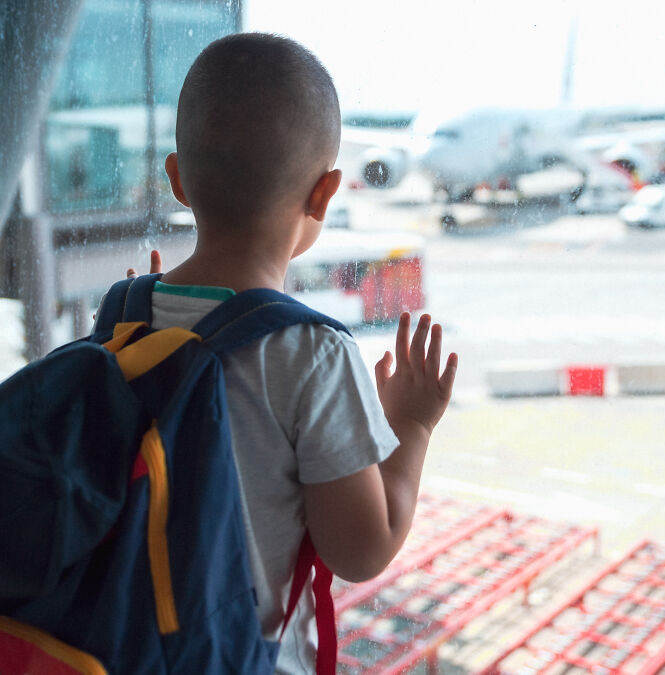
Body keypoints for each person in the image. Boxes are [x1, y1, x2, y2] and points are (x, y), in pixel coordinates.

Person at [124, 33, 458, 673]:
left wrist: (150, 305)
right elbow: (360, 550)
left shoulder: (121, 314)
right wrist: (410, 425)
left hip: (125, 647)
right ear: (324, 194)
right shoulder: (312, 354)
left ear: (178, 181)